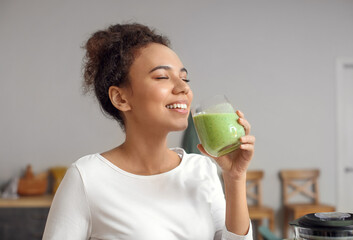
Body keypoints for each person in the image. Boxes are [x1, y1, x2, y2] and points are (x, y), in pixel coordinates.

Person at [43, 23, 255, 240]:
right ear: (120, 98)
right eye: (162, 77)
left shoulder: (201, 170)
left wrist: (235, 178)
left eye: (184, 78)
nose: (184, 88)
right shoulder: (87, 177)